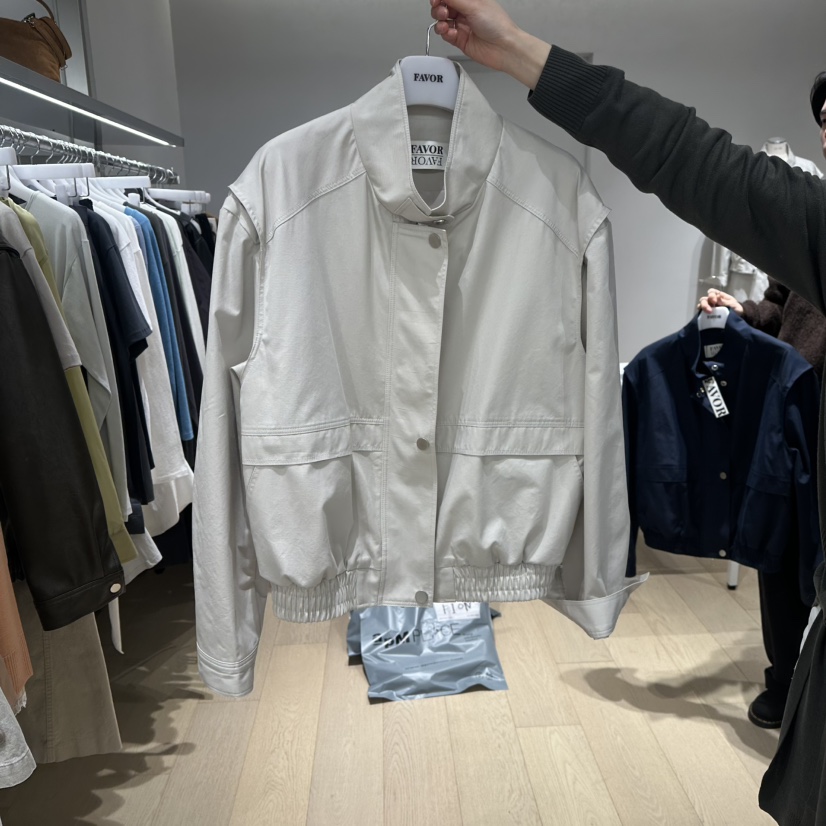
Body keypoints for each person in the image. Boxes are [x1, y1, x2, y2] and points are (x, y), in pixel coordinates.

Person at [428, 0, 826, 823]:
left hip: (795, 419)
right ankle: (784, 678)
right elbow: (694, 161)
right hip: (794, 431)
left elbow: (693, 160)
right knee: (782, 566)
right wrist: (745, 315)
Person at [699, 276, 826, 730]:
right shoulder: (809, 232)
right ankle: (785, 678)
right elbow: (782, 300)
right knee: (781, 545)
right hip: (797, 395)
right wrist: (747, 313)